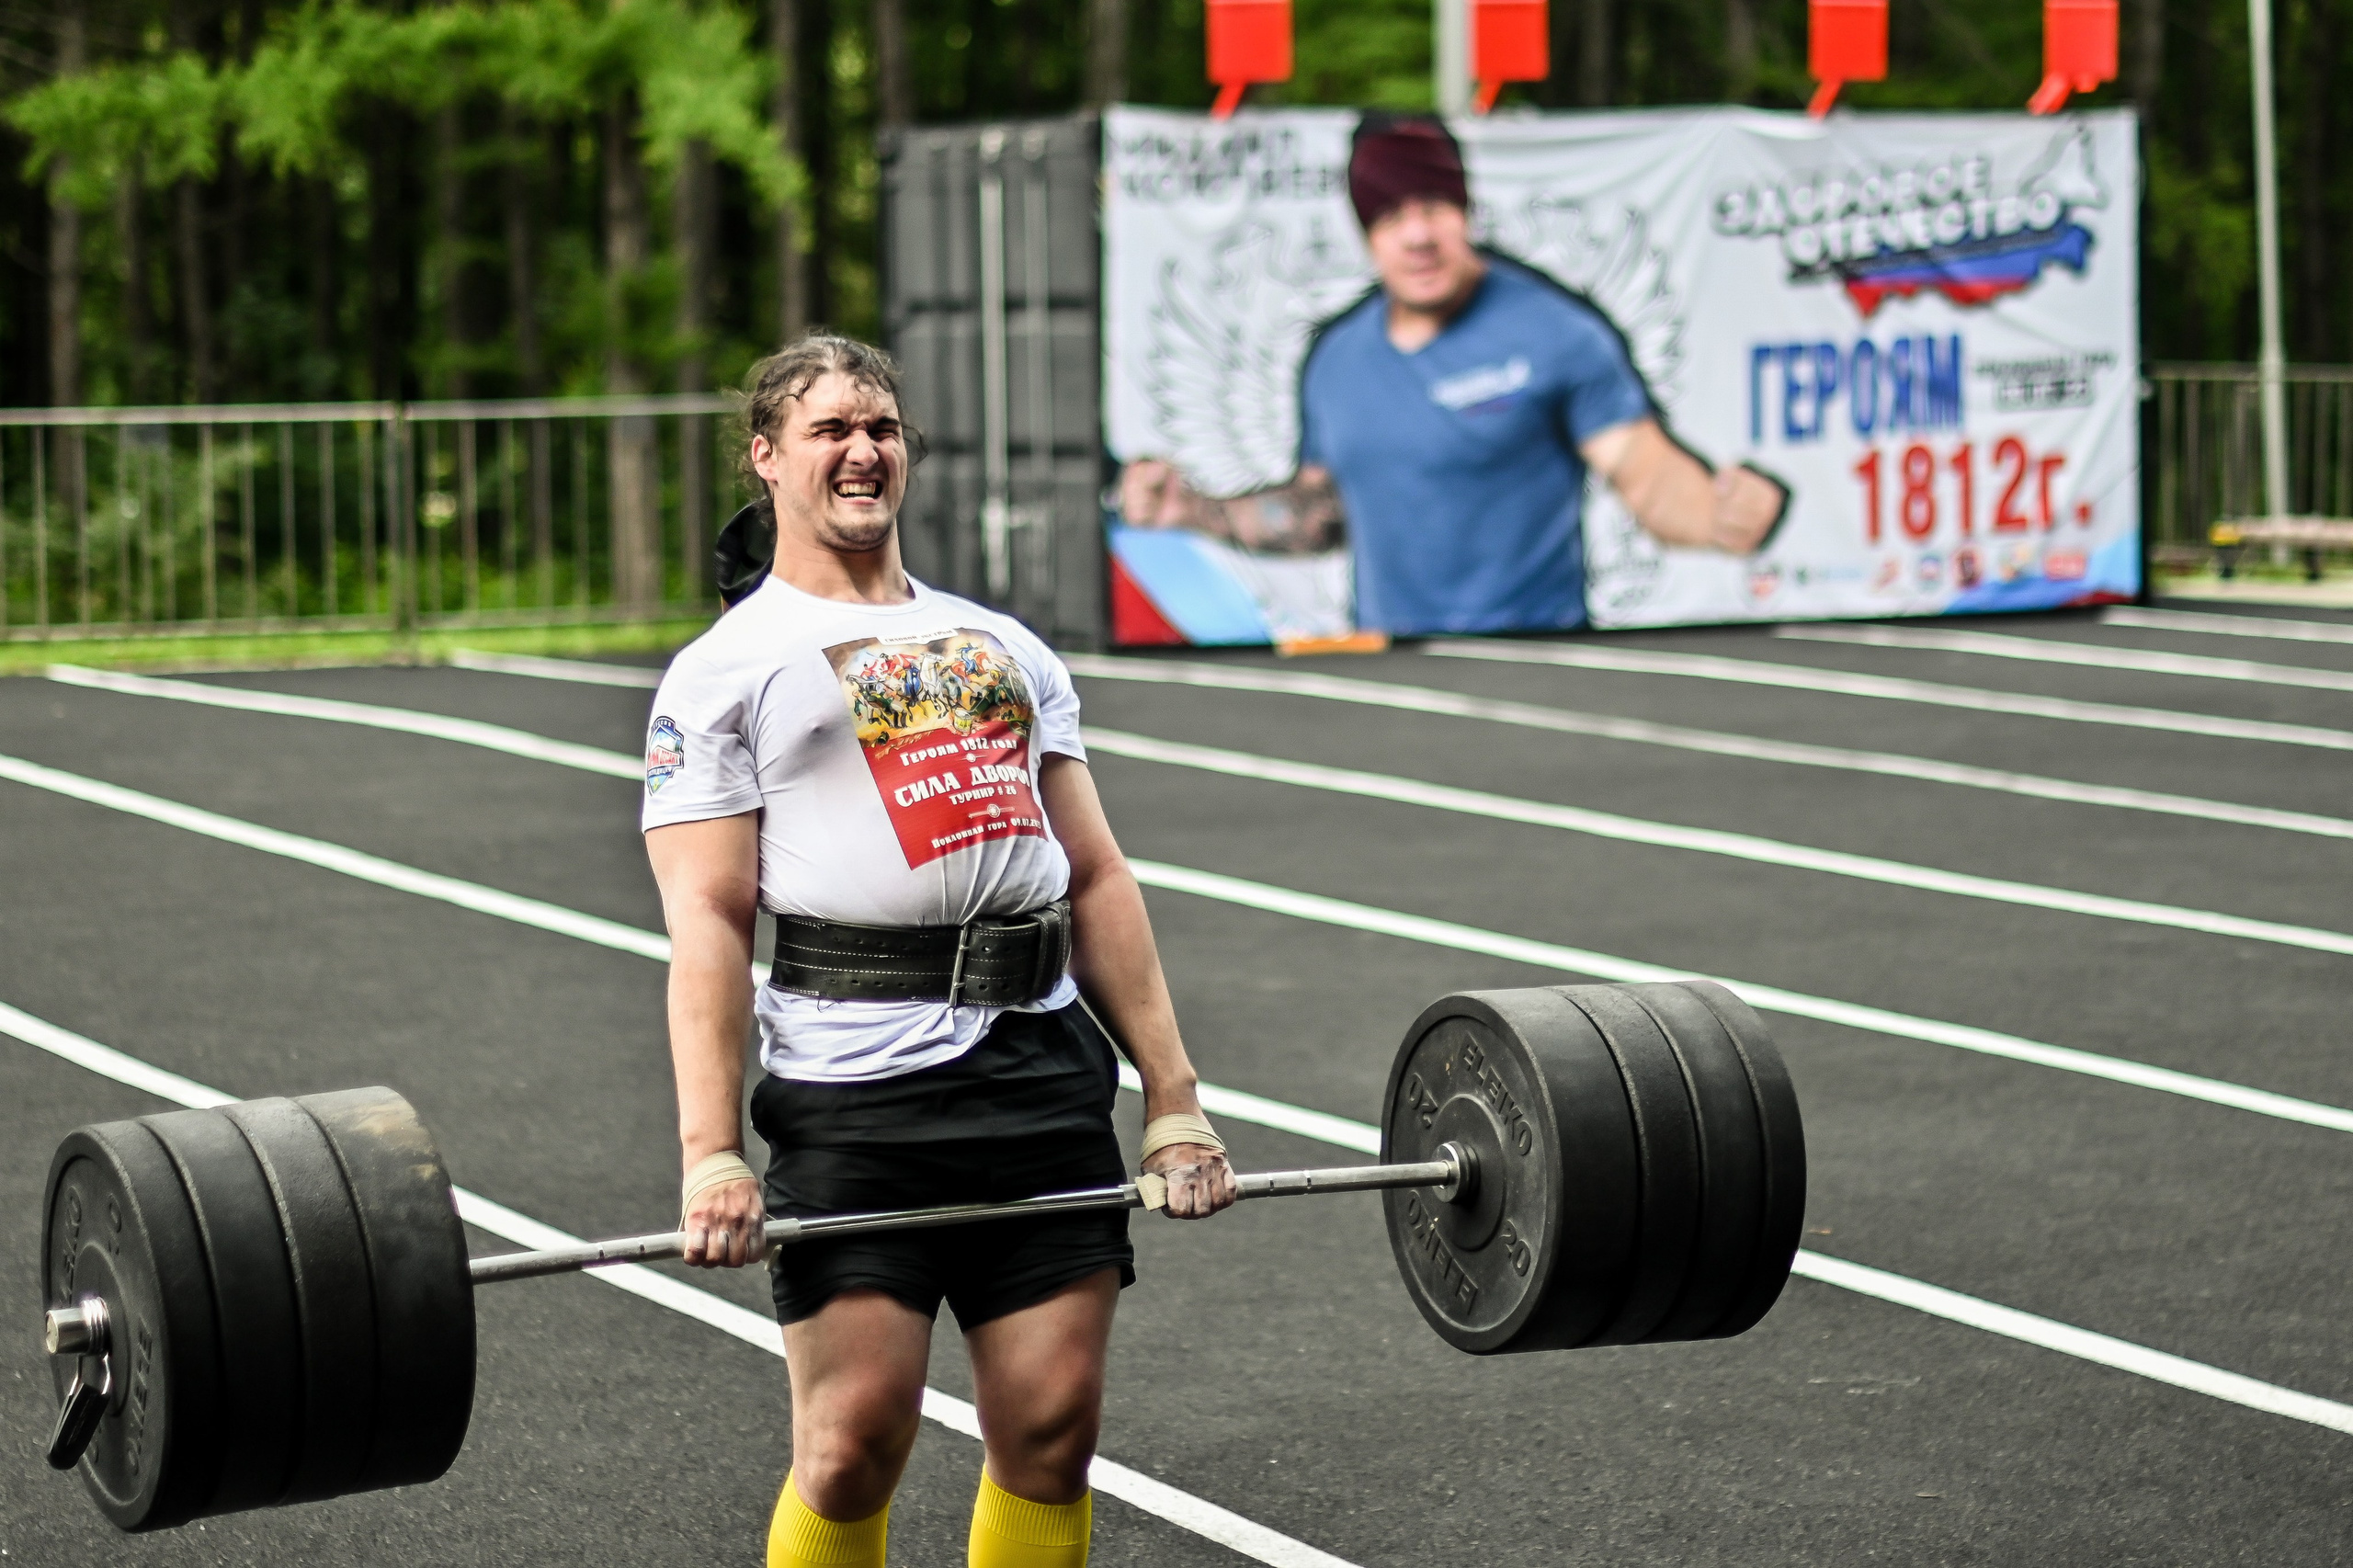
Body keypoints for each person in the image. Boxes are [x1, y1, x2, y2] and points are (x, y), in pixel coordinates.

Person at [642, 334, 1238, 1568]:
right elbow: (707, 920)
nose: (865, 449)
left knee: (1052, 1425)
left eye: (884, 426)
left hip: (1037, 1067)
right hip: (857, 1087)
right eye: (830, 429)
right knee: (854, 1438)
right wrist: (711, 1154)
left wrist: (1173, 1099)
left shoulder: (1002, 643)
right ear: (767, 458)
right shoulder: (723, 671)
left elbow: (1099, 873)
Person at [1120, 112, 1787, 636]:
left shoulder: (1554, 330)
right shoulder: (1336, 358)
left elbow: (1644, 473)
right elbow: (1321, 513)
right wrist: (1196, 511)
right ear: (1365, 234)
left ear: (1465, 210)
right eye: (1389, 215)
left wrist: (1715, 514)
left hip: (1537, 665)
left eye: (1434, 206)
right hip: (1394, 681)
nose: (1417, 235)